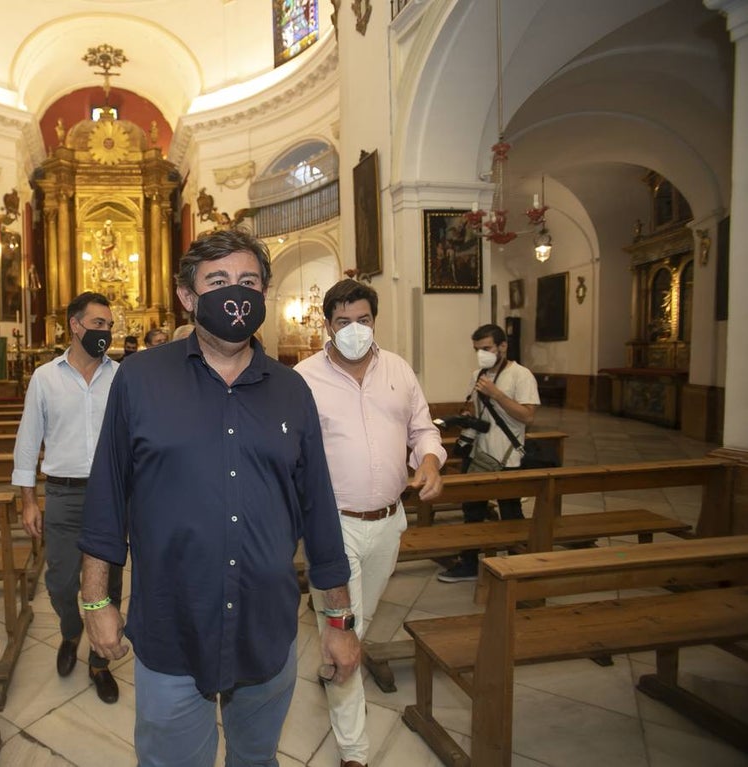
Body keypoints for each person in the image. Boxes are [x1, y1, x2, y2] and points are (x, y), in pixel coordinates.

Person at [78, 229, 359, 766]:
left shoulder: (292, 390)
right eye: (218, 281)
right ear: (188, 297)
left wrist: (339, 622)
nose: (236, 294)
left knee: (256, 760)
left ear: (265, 294)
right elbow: (108, 499)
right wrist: (96, 600)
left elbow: (320, 515)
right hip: (171, 628)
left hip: (265, 630)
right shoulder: (139, 379)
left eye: (249, 281)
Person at [295, 279, 445, 767]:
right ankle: (354, 752)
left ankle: (337, 651)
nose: (355, 330)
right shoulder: (304, 379)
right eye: (343, 322)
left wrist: (429, 461)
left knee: (354, 624)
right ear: (327, 325)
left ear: (373, 321)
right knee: (345, 629)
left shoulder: (398, 369)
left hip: (388, 522)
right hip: (332, 527)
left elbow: (423, 426)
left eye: (363, 320)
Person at [11, 291, 124, 704]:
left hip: (111, 496)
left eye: (109, 326)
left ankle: (99, 661)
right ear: (75, 326)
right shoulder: (46, 377)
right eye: (98, 325)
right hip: (62, 492)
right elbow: (28, 442)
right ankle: (71, 630)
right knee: (59, 583)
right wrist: (27, 500)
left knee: (108, 584)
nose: (105, 333)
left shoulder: (121, 376)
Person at [438, 323, 540, 582]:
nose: (482, 353)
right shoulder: (478, 375)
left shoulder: (521, 375)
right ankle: (470, 563)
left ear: (502, 346)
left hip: (508, 456)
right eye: (477, 349)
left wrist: (497, 394)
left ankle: (518, 567)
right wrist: (467, 417)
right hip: (480, 454)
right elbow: (478, 412)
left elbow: (527, 416)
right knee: (472, 510)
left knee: (510, 512)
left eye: (486, 348)